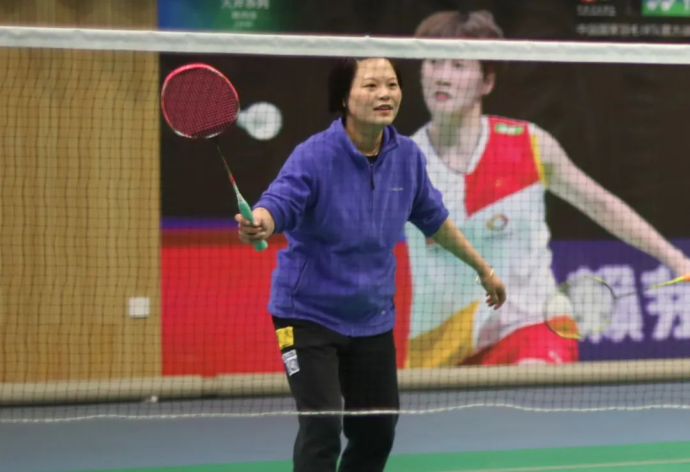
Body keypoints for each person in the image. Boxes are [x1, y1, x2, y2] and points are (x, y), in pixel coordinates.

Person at [235, 57, 506, 472]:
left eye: (392, 85)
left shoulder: (407, 156)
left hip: (371, 319)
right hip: (306, 316)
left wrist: (483, 269)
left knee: (377, 430)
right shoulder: (314, 155)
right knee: (322, 425)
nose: (385, 94)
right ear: (344, 98)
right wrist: (261, 221)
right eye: (371, 85)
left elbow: (434, 218)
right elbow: (279, 202)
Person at [404, 10, 690, 368]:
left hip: (529, 328)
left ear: (487, 81)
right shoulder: (400, 164)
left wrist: (677, 259)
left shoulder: (528, 145)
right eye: (432, 62)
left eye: (458, 66)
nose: (442, 76)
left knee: (531, 381)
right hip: (440, 352)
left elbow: (602, 205)